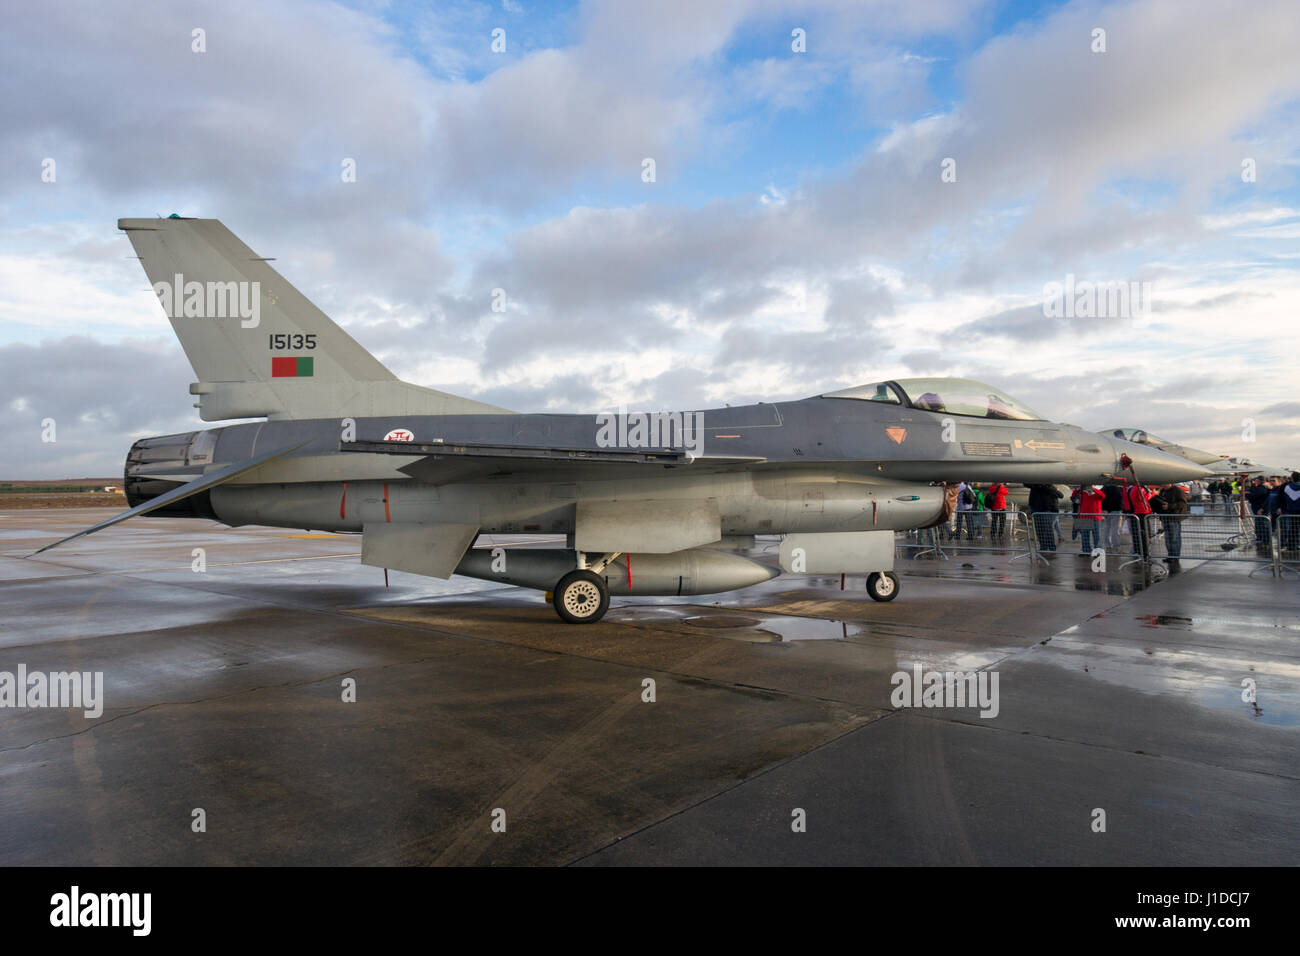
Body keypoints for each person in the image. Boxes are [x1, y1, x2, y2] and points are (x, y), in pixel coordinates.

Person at [1157, 482, 1188, 568]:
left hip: (1174, 518)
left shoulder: (1178, 491)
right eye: (1163, 484)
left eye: (1166, 484)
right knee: (1168, 538)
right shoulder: (1163, 491)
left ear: (1170, 483)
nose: (1164, 485)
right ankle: (1170, 555)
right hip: (1165, 517)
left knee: (1174, 537)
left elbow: (1182, 503)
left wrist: (1170, 506)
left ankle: (1175, 556)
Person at [1123, 480, 1154, 561]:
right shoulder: (1139, 488)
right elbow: (1142, 498)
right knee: (1144, 534)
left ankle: (1140, 552)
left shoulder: (1133, 489)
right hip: (1142, 512)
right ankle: (1145, 554)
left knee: (1139, 534)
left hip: (1138, 512)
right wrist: (1153, 493)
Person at [1028, 483, 1063, 552]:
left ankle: (1051, 546)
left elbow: (1060, 495)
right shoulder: (1034, 486)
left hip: (1045, 510)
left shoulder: (1048, 487)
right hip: (1036, 510)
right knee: (1039, 530)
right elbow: (1026, 484)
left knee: (1047, 529)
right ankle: (1043, 546)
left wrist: (1044, 486)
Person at [1272, 472, 1300, 555]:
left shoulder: (1287, 487)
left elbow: (1282, 497)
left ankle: (1291, 546)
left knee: (1292, 528)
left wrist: (1280, 507)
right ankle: (1297, 544)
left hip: (1291, 510)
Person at [1076, 484, 1105, 555]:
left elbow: (1103, 496)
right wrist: (1078, 488)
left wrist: (1094, 489)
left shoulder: (1097, 493)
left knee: (1097, 536)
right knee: (1084, 536)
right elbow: (1074, 496)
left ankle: (1097, 551)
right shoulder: (1082, 493)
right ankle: (1086, 551)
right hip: (1084, 517)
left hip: (1095, 517)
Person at [1101, 482, 1124, 551]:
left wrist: (1104, 509)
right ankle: (1116, 547)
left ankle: (1108, 545)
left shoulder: (1104, 488)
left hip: (1106, 511)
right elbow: (1119, 500)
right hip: (1115, 510)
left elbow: (1101, 499)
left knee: (1107, 528)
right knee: (1115, 529)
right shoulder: (1117, 489)